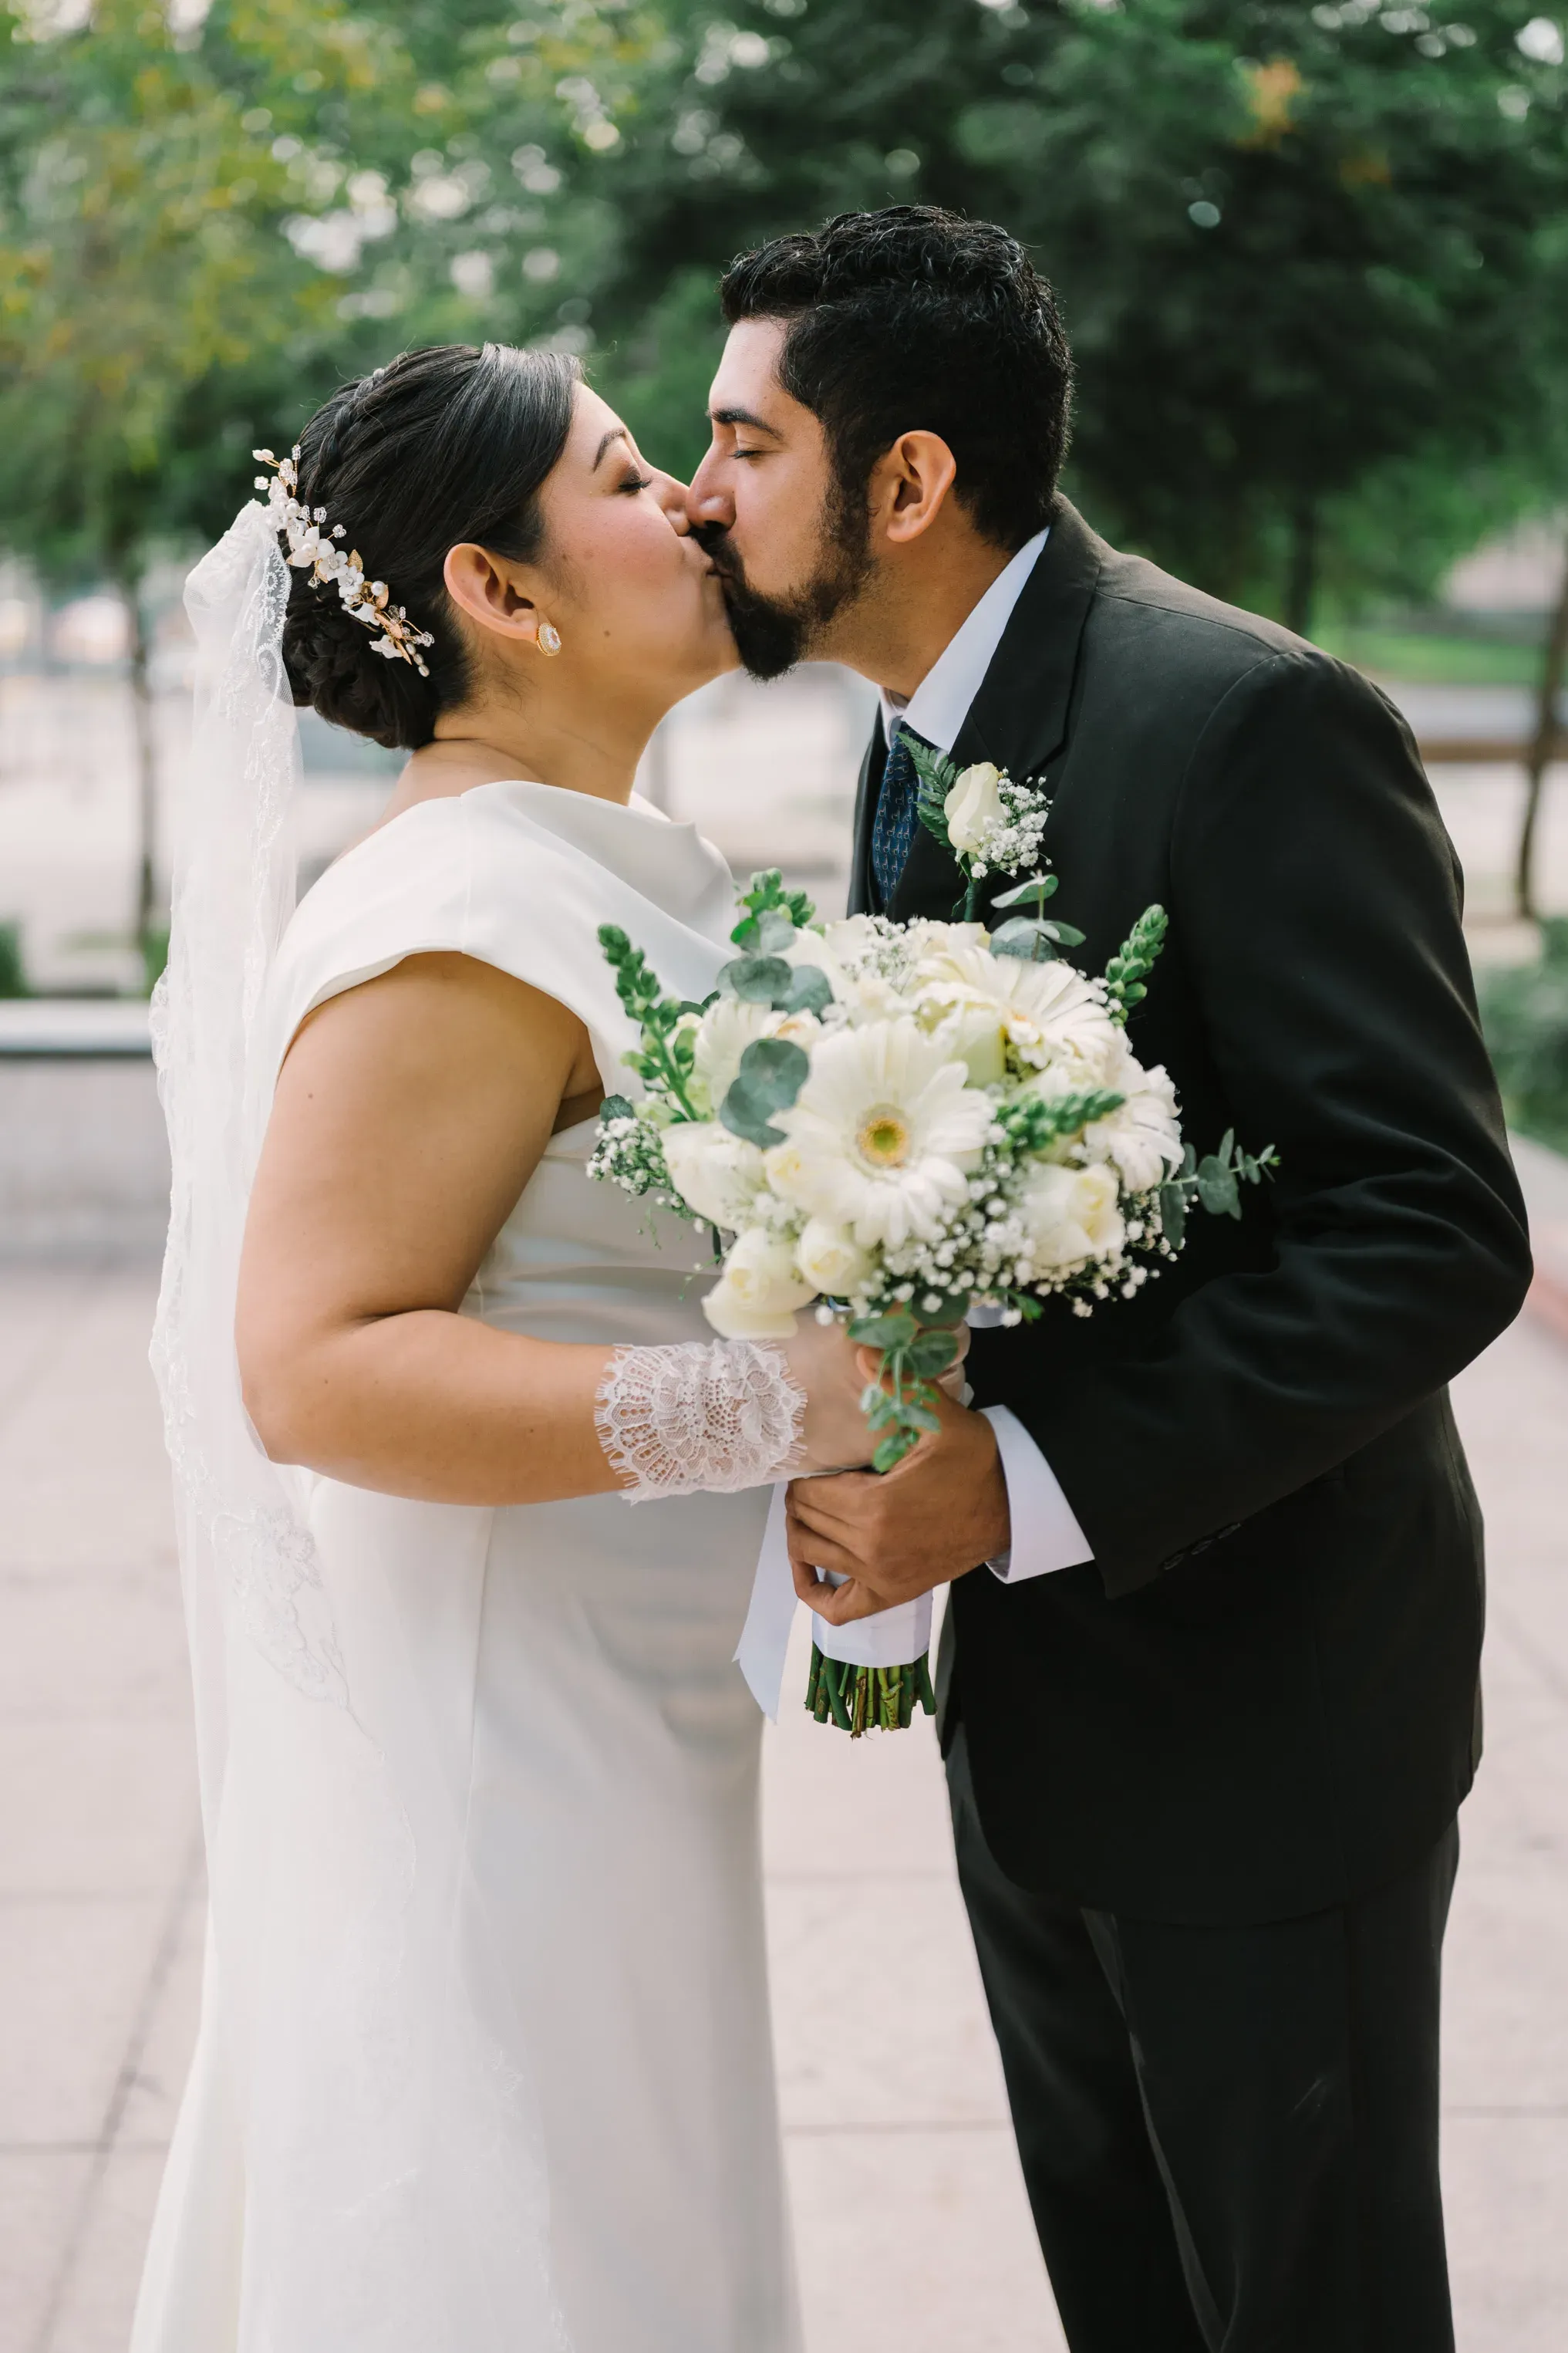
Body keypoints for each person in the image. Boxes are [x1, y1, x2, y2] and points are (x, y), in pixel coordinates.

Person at [687, 206, 1533, 2353]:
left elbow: (1434, 1226)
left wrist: (1026, 1482)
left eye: (743, 443)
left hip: (1266, 1719)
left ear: (906, 482)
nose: (702, 497)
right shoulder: (902, 731)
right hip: (1040, 1714)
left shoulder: (1252, 722)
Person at [133, 341, 894, 2353]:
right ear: (500, 590)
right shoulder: (467, 908)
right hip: (507, 1738)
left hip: (627, 1702)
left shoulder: (584, 870)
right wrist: (787, 1401)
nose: (699, 508)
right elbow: (311, 1367)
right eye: (633, 476)